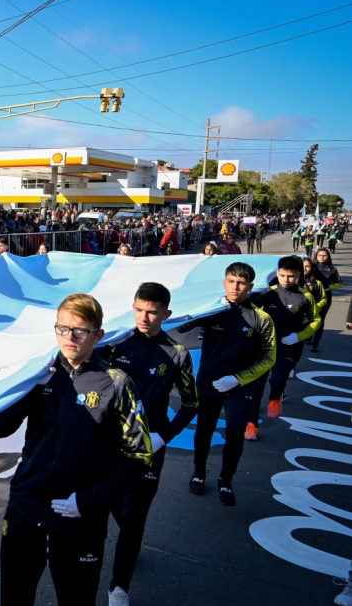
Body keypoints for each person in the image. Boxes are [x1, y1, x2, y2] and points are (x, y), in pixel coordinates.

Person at [0, 293, 151, 606]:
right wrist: (27, 386)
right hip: (25, 510)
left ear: (98, 335)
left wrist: (90, 500)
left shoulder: (116, 382)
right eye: (63, 329)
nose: (70, 337)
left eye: (80, 331)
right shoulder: (39, 372)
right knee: (14, 599)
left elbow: (140, 455)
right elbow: (0, 428)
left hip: (80, 518)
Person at [98, 283, 198, 605]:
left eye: (153, 311)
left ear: (166, 314)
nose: (145, 316)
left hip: (149, 447)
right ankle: (130, 543)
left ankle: (119, 587)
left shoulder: (177, 353)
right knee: (118, 507)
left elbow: (191, 404)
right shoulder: (115, 343)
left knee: (136, 516)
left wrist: (162, 436)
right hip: (108, 442)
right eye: (140, 309)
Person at [175, 262, 276, 506]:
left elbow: (269, 358)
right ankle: (199, 472)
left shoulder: (261, 318)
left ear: (250, 286)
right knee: (205, 428)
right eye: (231, 281)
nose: (236, 287)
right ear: (224, 283)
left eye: (241, 283)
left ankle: (225, 479)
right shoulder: (213, 310)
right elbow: (180, 325)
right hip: (209, 381)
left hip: (240, 385)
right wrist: (202, 308)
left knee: (234, 433)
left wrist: (238, 379)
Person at [245, 256, 320, 438]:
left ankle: (275, 398)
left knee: (277, 379)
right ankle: (252, 425)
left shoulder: (305, 296)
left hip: (289, 346)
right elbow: (248, 307)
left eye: (291, 276)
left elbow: (316, 320)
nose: (286, 280)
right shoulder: (268, 292)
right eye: (282, 275)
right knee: (255, 388)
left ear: (299, 275)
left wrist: (299, 336)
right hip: (264, 346)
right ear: (277, 273)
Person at [311, 247, 342, 352]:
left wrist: (329, 287)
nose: (322, 257)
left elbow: (339, 283)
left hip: (325, 297)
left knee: (320, 319)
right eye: (320, 255)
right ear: (316, 256)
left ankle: (316, 343)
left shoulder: (332, 269)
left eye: (324, 255)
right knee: (309, 317)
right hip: (311, 296)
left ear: (328, 256)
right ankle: (308, 336)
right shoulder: (312, 267)